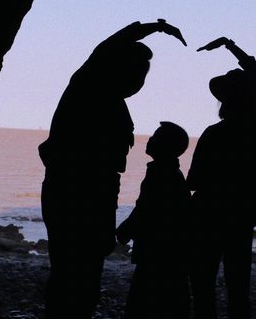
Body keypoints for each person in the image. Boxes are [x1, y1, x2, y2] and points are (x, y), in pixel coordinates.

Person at [38, 19, 186, 319]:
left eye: (142, 76)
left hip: (99, 194)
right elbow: (105, 48)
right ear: (116, 67)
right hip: (71, 191)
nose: (138, 82)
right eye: (135, 73)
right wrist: (155, 27)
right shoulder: (86, 86)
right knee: (70, 271)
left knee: (87, 273)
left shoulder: (114, 103)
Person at [187, 37, 256, 319]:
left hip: (210, 211)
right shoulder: (255, 125)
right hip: (244, 210)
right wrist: (229, 45)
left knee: (202, 276)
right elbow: (255, 75)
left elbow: (194, 182)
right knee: (238, 277)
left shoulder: (213, 134)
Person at [116, 122, 192, 319]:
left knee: (143, 300)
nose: (150, 139)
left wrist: (125, 230)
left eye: (156, 136)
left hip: (158, 251)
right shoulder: (170, 173)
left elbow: (146, 209)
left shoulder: (161, 174)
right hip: (169, 252)